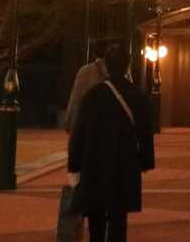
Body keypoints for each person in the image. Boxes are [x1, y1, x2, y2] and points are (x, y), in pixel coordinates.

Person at [67, 43, 154, 242]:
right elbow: (145, 133)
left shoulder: (93, 95)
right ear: (127, 66)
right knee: (118, 218)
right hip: (124, 163)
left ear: (106, 65)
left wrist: (74, 164)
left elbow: (79, 132)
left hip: (94, 162)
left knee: (95, 218)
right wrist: (145, 160)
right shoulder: (137, 95)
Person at [58, 40, 113, 242]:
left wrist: (68, 124)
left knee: (82, 182)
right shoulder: (119, 73)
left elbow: (75, 100)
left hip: (86, 137)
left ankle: (83, 223)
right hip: (108, 138)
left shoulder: (85, 72)